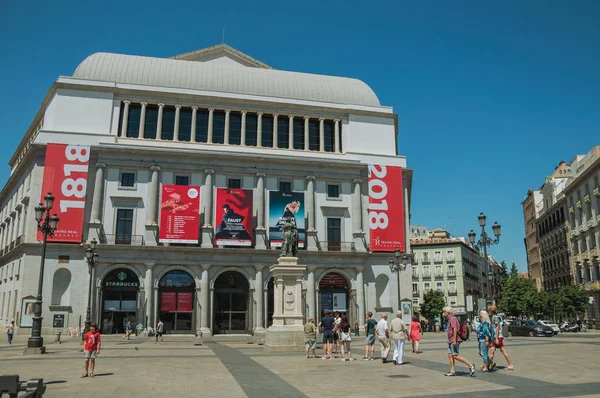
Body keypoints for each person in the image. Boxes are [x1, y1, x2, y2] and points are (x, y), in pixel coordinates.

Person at [443, 306, 476, 377]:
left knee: (455, 355)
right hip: (451, 340)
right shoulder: (449, 319)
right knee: (450, 355)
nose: (443, 313)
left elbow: (455, 329)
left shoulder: (452, 318)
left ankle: (470, 365)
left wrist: (454, 340)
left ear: (448, 312)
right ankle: (452, 371)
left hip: (454, 340)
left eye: (444, 311)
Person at [487, 305, 514, 371]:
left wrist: (496, 338)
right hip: (497, 336)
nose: (488, 312)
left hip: (498, 337)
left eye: (489, 311)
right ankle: (488, 365)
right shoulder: (494, 317)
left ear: (491, 311)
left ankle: (510, 365)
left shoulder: (495, 317)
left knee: (497, 350)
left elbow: (497, 327)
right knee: (493, 351)